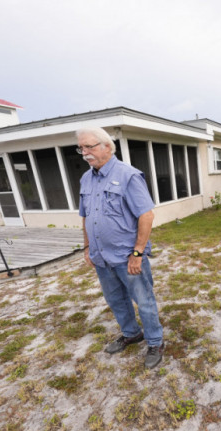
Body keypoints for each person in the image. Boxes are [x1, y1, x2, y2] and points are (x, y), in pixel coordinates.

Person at [77, 127, 164, 369]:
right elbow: (86, 216)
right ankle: (131, 333)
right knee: (115, 299)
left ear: (106, 146)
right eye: (81, 148)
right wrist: (87, 248)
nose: (84, 153)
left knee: (143, 300)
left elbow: (146, 216)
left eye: (89, 146)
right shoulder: (86, 178)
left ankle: (155, 341)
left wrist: (137, 253)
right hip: (101, 257)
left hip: (127, 257)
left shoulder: (128, 175)